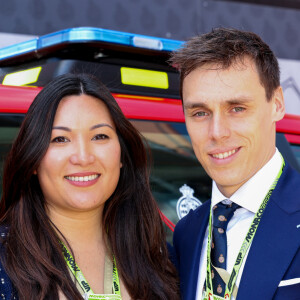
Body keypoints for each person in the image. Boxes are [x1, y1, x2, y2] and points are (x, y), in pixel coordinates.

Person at [0, 73, 180, 300]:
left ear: (122, 155)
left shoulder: (161, 258)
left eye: (100, 136)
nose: (83, 157)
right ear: (33, 159)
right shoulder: (4, 262)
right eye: (60, 139)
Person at [169, 28, 300, 300]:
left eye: (237, 108)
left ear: (276, 103)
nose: (217, 132)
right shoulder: (187, 233)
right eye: (200, 112)